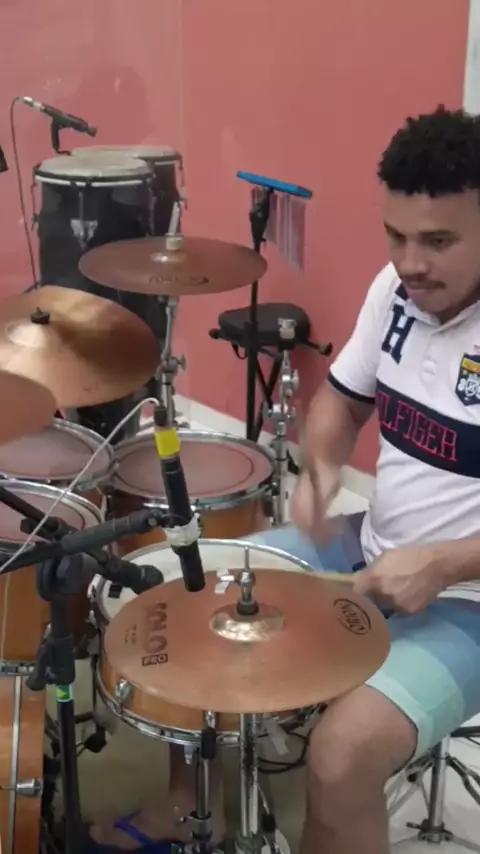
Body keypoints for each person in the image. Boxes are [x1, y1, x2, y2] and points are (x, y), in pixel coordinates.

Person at [88, 104, 480, 853]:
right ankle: (186, 805)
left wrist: (444, 563)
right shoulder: (397, 292)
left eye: (438, 241)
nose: (410, 262)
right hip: (370, 547)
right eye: (396, 236)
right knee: (186, 596)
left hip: (470, 597)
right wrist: (322, 465)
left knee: (340, 758)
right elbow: (342, 400)